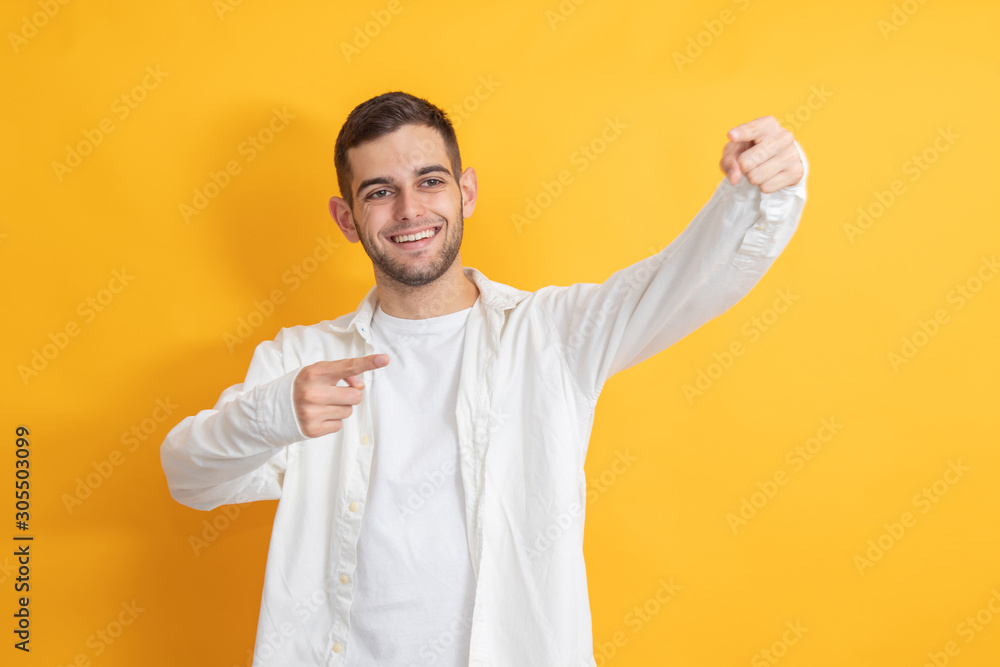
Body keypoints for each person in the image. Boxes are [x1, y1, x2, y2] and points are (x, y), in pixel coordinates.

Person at [160, 90, 808, 666]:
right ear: (346, 218)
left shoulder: (551, 334)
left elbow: (681, 281)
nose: (409, 209)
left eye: (429, 181)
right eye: (379, 191)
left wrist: (760, 192)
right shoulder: (303, 360)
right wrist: (275, 412)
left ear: (465, 192)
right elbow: (188, 475)